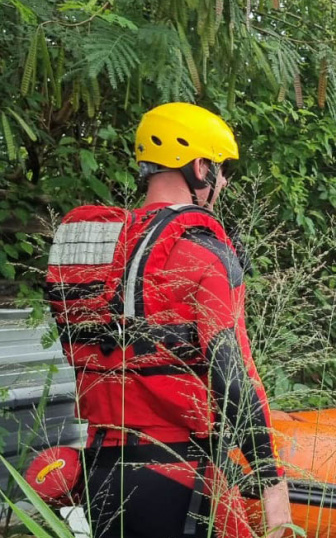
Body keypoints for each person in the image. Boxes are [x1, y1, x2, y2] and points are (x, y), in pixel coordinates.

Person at [46, 103, 291, 538]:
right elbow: (232, 375)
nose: (225, 180)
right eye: (221, 168)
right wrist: (271, 480)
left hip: (100, 472)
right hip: (181, 476)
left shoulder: (100, 255)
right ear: (200, 168)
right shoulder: (205, 254)